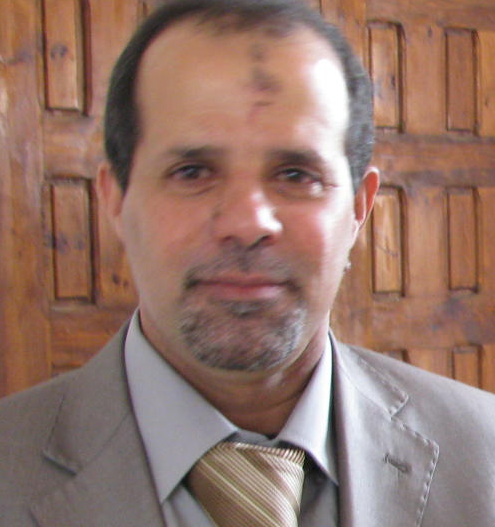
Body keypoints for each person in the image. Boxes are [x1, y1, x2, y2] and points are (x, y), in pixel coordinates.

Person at [1, 0, 494, 525]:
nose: (247, 222)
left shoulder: (484, 455)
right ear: (116, 199)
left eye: (296, 175)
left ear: (358, 208)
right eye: (192, 171)